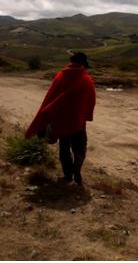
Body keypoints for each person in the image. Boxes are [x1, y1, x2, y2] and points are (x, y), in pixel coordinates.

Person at [25, 52, 96, 185]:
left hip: (61, 122)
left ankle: (68, 175)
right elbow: (91, 100)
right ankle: (77, 170)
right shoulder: (86, 79)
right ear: (83, 64)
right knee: (80, 149)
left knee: (64, 148)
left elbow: (50, 99)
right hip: (78, 122)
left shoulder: (60, 76)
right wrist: (85, 115)